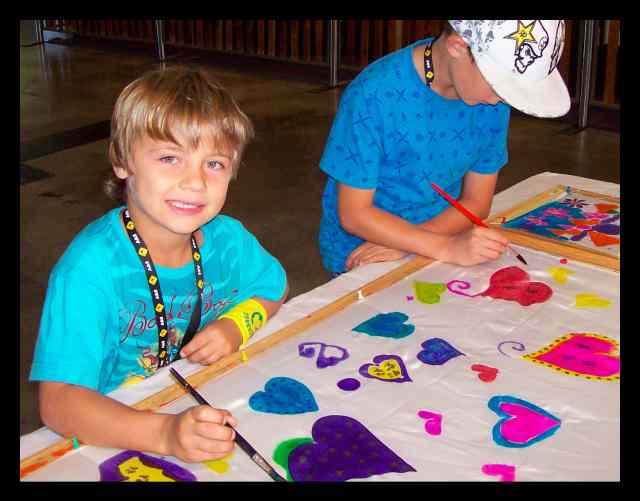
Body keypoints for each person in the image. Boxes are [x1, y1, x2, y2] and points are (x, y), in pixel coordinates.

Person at [29, 66, 289, 463]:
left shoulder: (228, 239)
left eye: (214, 164)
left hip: (203, 400)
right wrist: (165, 433)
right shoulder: (88, 271)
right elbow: (60, 402)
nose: (196, 182)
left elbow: (273, 286)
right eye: (170, 158)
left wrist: (237, 325)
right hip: (115, 431)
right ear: (122, 162)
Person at [318, 20, 570, 275]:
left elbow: (477, 201)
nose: (501, 100)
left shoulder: (491, 103)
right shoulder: (372, 95)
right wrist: (444, 247)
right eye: (498, 85)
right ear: (458, 47)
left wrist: (415, 244)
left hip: (439, 237)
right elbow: (355, 214)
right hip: (365, 252)